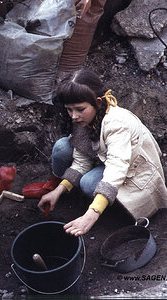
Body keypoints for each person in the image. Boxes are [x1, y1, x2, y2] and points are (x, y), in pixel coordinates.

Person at [28, 68, 167, 236]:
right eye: (69, 109)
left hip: (133, 172)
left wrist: (90, 215)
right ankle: (61, 187)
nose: (73, 116)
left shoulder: (116, 124)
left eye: (79, 109)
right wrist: (58, 190)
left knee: (88, 183)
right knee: (62, 147)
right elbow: (81, 160)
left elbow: (117, 168)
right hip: (104, 158)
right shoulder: (83, 118)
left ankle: (112, 209)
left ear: (98, 102)